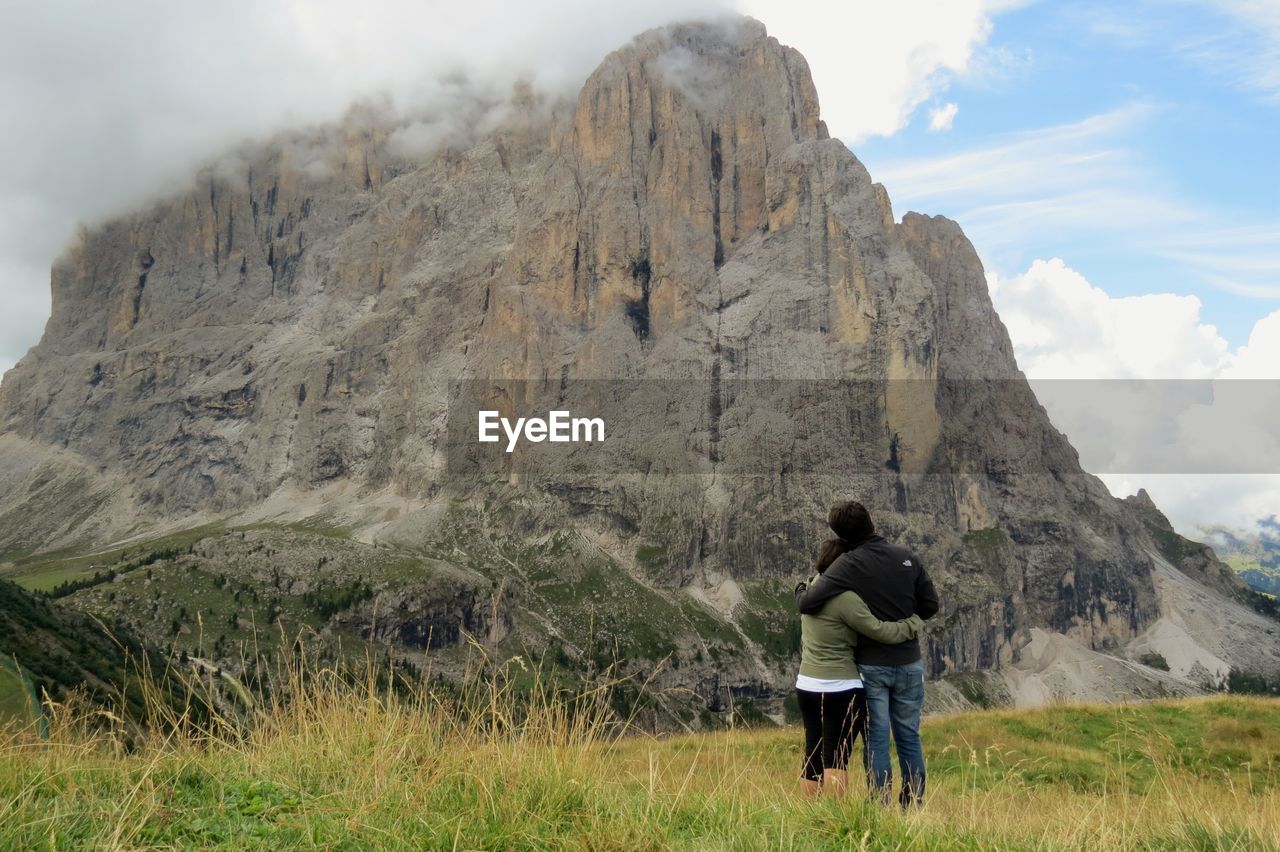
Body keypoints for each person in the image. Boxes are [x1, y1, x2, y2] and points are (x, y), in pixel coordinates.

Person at [796, 501, 940, 807]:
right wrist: (908, 617)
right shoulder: (907, 557)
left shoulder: (848, 565)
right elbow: (930, 607)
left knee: (876, 740)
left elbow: (809, 602)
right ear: (871, 521)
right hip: (909, 663)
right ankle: (913, 804)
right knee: (909, 737)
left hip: (871, 667)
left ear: (840, 534)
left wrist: (799, 589)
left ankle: (880, 805)